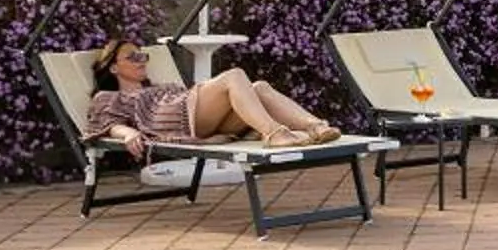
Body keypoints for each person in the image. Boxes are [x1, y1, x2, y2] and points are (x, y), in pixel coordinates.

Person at [85, 40, 340, 159]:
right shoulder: (108, 96)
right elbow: (106, 123)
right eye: (132, 57)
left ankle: (314, 125)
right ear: (113, 68)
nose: (141, 60)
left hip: (197, 113)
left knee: (260, 87)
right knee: (234, 76)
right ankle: (274, 133)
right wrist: (127, 133)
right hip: (181, 117)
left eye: (143, 55)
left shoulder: (158, 87)